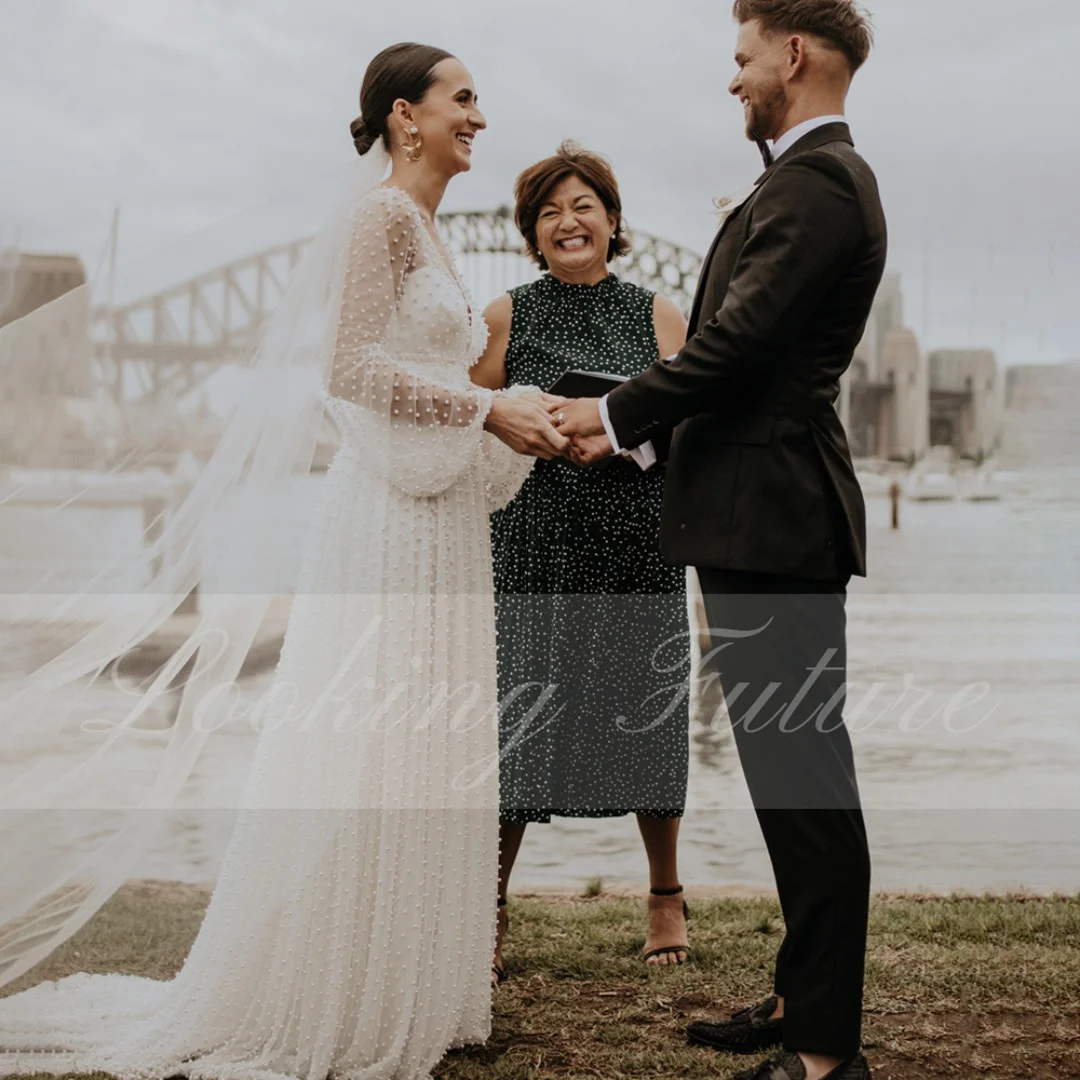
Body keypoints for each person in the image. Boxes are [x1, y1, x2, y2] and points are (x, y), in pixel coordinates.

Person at [0, 42, 566, 1080]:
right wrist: (488, 406)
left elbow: (431, 366)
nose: (481, 116)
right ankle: (333, 989)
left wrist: (515, 409)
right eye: (464, 98)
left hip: (437, 512)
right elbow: (347, 366)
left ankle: (408, 982)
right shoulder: (380, 217)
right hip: (390, 518)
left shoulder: (433, 232)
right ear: (406, 116)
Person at [552, 2, 885, 1079]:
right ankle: (802, 994)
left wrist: (609, 422)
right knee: (783, 773)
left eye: (741, 58)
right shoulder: (802, 180)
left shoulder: (820, 183)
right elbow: (748, 362)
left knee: (805, 780)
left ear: (792, 55)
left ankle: (827, 1051)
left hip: (776, 518)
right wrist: (650, 436)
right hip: (759, 511)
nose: (731, 79)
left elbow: (737, 350)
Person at [471, 142, 692, 980]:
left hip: (636, 537)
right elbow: (473, 416)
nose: (569, 221)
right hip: (533, 542)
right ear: (532, 232)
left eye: (584, 204)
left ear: (612, 219)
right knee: (519, 724)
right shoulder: (504, 317)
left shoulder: (658, 314)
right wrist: (525, 420)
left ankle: (665, 896)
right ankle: (487, 910)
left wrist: (623, 434)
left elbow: (690, 426)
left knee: (651, 713)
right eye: (550, 210)